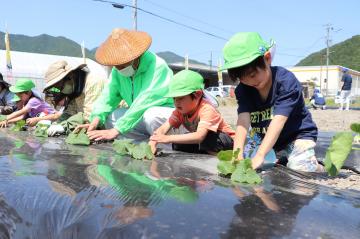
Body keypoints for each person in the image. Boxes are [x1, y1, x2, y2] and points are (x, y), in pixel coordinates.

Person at [221, 32, 322, 172]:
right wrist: (237, 154)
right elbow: (243, 122)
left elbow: (278, 121)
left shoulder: (285, 82)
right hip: (264, 138)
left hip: (296, 136)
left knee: (300, 168)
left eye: (252, 75)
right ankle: (280, 156)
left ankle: (316, 166)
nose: (250, 82)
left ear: (267, 58)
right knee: (248, 163)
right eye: (243, 78)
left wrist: (261, 155)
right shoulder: (243, 90)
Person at [76, 28, 174, 142]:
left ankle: (165, 145)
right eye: (116, 65)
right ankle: (140, 145)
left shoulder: (157, 66)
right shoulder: (117, 71)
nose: (118, 68)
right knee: (111, 117)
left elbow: (144, 102)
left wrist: (116, 130)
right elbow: (108, 97)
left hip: (166, 117)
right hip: (138, 115)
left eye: (122, 65)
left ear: (135, 56)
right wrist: (95, 121)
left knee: (152, 115)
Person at [149, 70, 235, 154]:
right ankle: (205, 152)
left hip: (227, 140)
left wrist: (167, 138)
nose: (176, 102)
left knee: (208, 139)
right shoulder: (179, 111)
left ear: (197, 95)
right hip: (203, 141)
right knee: (178, 144)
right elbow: (163, 128)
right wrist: (153, 142)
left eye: (180, 98)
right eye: (174, 98)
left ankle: (220, 156)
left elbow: (199, 136)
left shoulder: (207, 109)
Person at [42, 60, 106, 136]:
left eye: (59, 86)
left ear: (70, 77)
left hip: (109, 125)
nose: (60, 90)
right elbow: (70, 112)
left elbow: (91, 116)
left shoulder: (94, 81)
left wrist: (65, 126)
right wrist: (55, 123)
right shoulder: (75, 88)